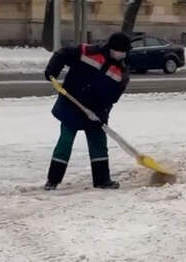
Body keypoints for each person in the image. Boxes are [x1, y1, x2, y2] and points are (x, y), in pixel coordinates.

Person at [43, 32, 131, 191]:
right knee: (65, 141)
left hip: (94, 112)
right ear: (111, 48)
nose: (121, 54)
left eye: (124, 52)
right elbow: (61, 54)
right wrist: (52, 72)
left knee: (98, 143)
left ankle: (102, 180)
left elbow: (112, 99)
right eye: (119, 50)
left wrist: (101, 116)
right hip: (72, 105)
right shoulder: (87, 52)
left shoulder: (121, 73)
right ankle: (53, 180)